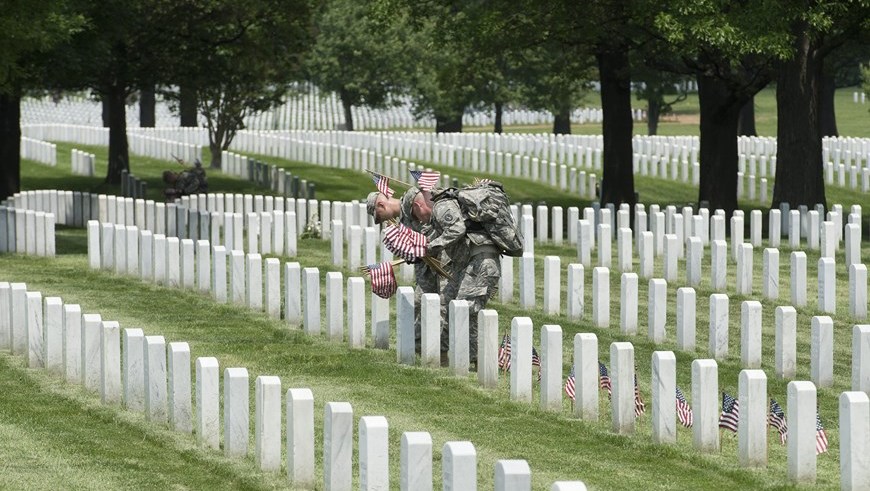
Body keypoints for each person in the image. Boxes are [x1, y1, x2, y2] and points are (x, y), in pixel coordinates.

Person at [404, 187, 501, 365]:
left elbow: (457, 229)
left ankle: (480, 360)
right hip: (467, 264)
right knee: (449, 304)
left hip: (481, 263)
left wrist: (430, 247)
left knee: (465, 310)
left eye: (415, 215)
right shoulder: (437, 216)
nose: (419, 221)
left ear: (417, 206)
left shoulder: (442, 207)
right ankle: (447, 354)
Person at [366, 189, 442, 360]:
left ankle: (437, 351)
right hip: (427, 270)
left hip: (444, 261)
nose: (382, 221)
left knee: (442, 306)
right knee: (419, 303)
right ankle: (418, 347)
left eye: (379, 216)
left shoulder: (414, 202)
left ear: (381, 204)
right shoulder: (404, 220)